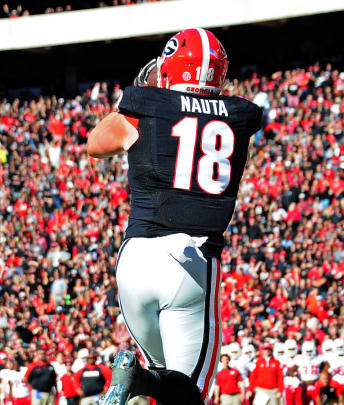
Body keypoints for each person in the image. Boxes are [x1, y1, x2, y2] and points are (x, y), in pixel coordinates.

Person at [89, 27, 262, 405]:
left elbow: (95, 145)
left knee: (164, 377)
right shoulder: (240, 114)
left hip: (134, 260)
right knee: (188, 393)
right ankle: (138, 380)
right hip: (190, 261)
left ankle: (139, 379)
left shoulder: (143, 106)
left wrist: (130, 103)